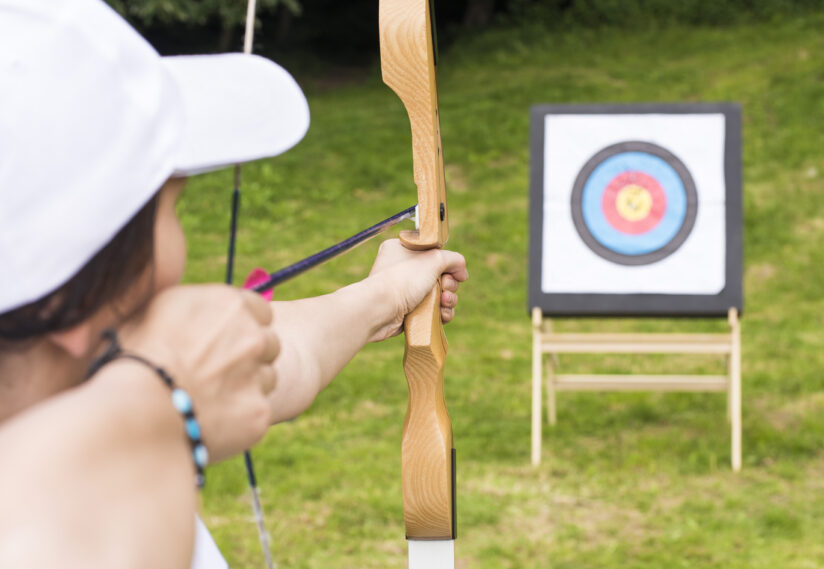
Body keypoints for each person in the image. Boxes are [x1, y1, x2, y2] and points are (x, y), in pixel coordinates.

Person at [0, 1, 469, 568]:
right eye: (171, 206)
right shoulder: (75, 502)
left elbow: (266, 359)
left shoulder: (105, 377)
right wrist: (163, 407)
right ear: (72, 295)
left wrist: (382, 298)